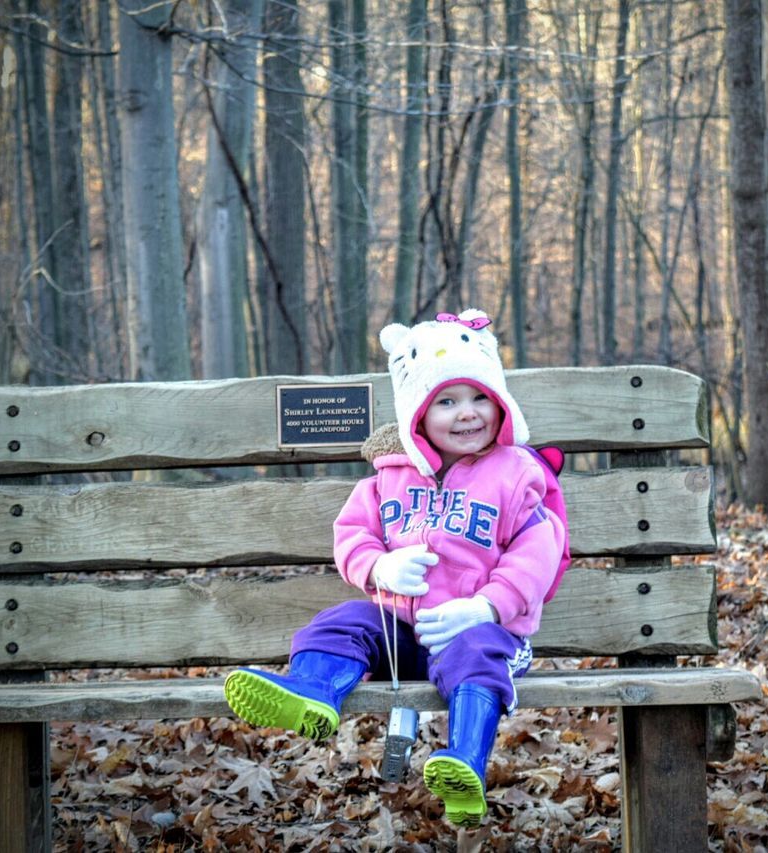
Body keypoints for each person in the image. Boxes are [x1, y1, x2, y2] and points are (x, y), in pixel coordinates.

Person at [224, 309, 567, 826]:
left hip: (481, 637)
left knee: (478, 656)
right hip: (400, 634)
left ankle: (466, 762)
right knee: (344, 621)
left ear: (500, 405)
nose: (467, 413)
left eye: (480, 398)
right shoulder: (389, 477)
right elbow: (352, 534)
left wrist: (486, 607)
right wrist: (379, 567)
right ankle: (314, 692)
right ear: (417, 416)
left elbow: (538, 549)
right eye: (446, 402)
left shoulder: (516, 474)